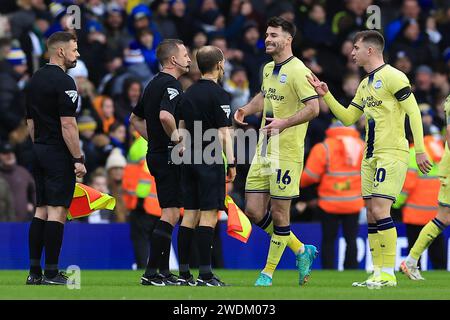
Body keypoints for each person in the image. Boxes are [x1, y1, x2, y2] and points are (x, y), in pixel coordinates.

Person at [307, 30, 431, 288]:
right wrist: (325, 94)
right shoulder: (365, 84)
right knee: (372, 215)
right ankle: (377, 273)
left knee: (380, 210)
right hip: (370, 156)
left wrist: (418, 149)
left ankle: (388, 273)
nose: (352, 52)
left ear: (370, 50)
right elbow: (349, 118)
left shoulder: (394, 76)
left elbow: (414, 113)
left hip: (391, 153)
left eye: (356, 48)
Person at [234, 17, 320, 287]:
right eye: (266, 34)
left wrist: (284, 122)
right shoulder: (268, 68)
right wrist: (247, 109)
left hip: (287, 152)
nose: (267, 39)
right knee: (253, 211)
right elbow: (265, 95)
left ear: (287, 40)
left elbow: (314, 108)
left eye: (273, 35)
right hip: (264, 150)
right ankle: (300, 249)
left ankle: (268, 272)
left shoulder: (298, 70)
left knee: (281, 215)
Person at [25, 31, 87, 285]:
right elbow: (68, 125)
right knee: (57, 210)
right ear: (60, 51)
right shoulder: (65, 82)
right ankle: (51, 272)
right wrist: (77, 158)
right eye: (74, 50)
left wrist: (39, 146)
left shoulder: (34, 79)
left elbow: (30, 122)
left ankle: (35, 272)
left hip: (38, 148)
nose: (77, 54)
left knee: (41, 209)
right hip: (57, 153)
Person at [129, 39, 191, 286]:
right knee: (171, 213)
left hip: (156, 153)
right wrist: (176, 140)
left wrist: (154, 140)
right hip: (166, 156)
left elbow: (135, 118)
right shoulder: (171, 84)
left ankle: (161, 272)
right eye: (185, 54)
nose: (189, 59)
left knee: (170, 212)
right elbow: (166, 115)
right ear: (173, 60)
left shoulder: (153, 83)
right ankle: (152, 272)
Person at [177, 45, 235, 287]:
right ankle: (205, 275)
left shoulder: (187, 93)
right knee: (209, 215)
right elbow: (223, 134)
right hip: (209, 159)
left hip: (187, 158)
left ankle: (183, 274)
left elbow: (180, 128)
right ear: (219, 65)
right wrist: (231, 162)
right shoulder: (220, 95)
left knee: (189, 215)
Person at [300, 121, 364, 270]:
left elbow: (309, 177)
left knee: (328, 240)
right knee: (351, 239)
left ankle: (328, 269)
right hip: (353, 203)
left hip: (328, 203)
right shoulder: (362, 146)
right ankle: (351, 269)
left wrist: (301, 184)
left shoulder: (324, 147)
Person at [400, 94, 450, 279]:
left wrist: (397, 203)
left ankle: (411, 261)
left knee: (443, 219)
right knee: (442, 219)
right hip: (447, 174)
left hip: (417, 209)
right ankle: (411, 261)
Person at [393, 132, 446, 271]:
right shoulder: (439, 150)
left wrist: (395, 204)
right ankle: (442, 278)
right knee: (438, 252)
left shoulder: (413, 153)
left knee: (415, 251)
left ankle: (414, 272)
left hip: (415, 212)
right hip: (436, 212)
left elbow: (407, 186)